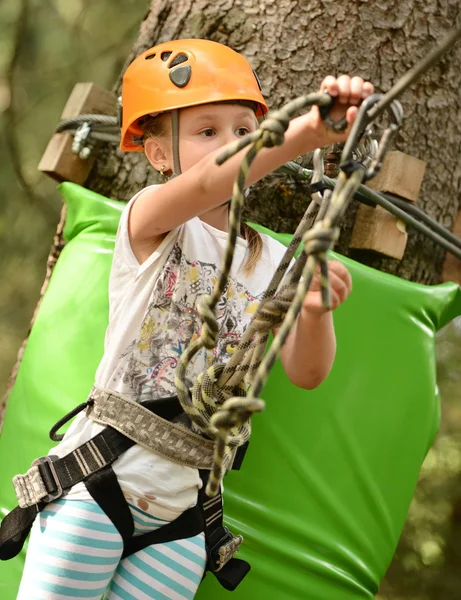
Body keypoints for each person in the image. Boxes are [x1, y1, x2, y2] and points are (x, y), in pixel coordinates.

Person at [16, 39, 373, 599]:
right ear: (159, 155)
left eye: (242, 128)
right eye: (207, 132)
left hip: (185, 516)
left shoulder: (276, 262)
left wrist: (314, 309)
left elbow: (306, 372)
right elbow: (210, 183)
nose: (231, 143)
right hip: (100, 483)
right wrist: (304, 133)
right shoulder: (150, 222)